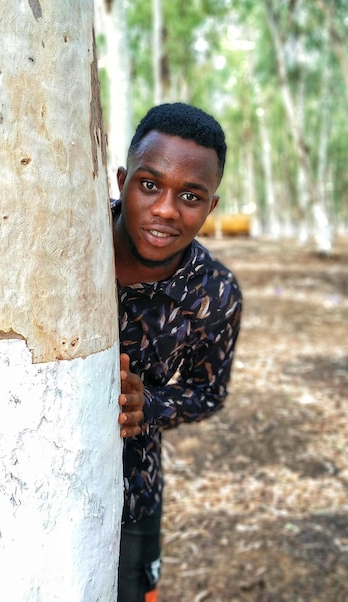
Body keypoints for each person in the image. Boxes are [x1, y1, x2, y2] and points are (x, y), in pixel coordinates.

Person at [113, 103, 243, 602]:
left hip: (131, 497)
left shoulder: (216, 293)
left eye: (190, 196)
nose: (166, 209)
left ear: (210, 209)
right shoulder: (68, 243)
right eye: (150, 185)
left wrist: (151, 406)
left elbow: (208, 392)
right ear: (123, 181)